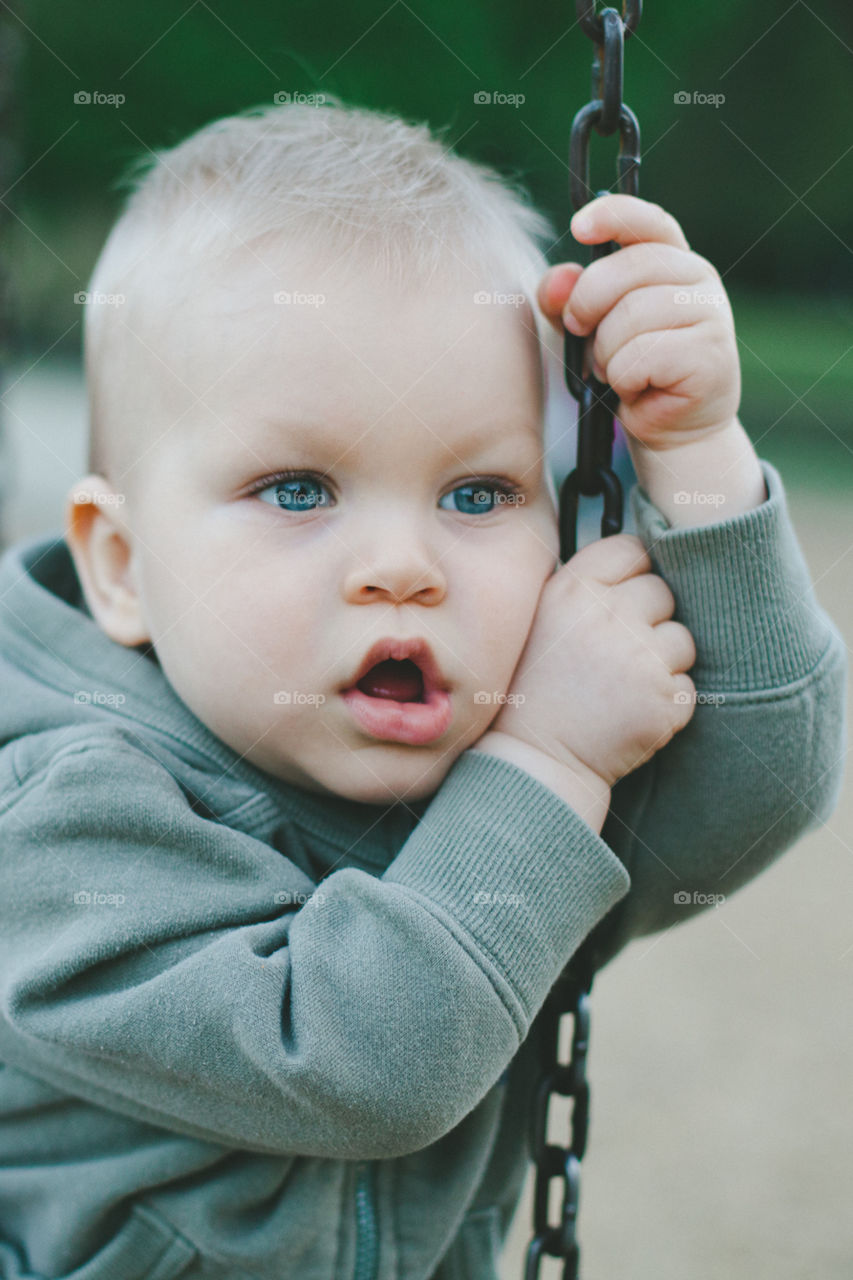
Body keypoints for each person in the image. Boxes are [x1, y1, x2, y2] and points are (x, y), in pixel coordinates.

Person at [0, 97, 845, 1280]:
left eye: (476, 493)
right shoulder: (58, 816)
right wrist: (545, 764)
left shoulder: (493, 754)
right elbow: (345, 1057)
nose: (403, 567)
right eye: (297, 489)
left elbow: (757, 783)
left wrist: (696, 453)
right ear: (123, 565)